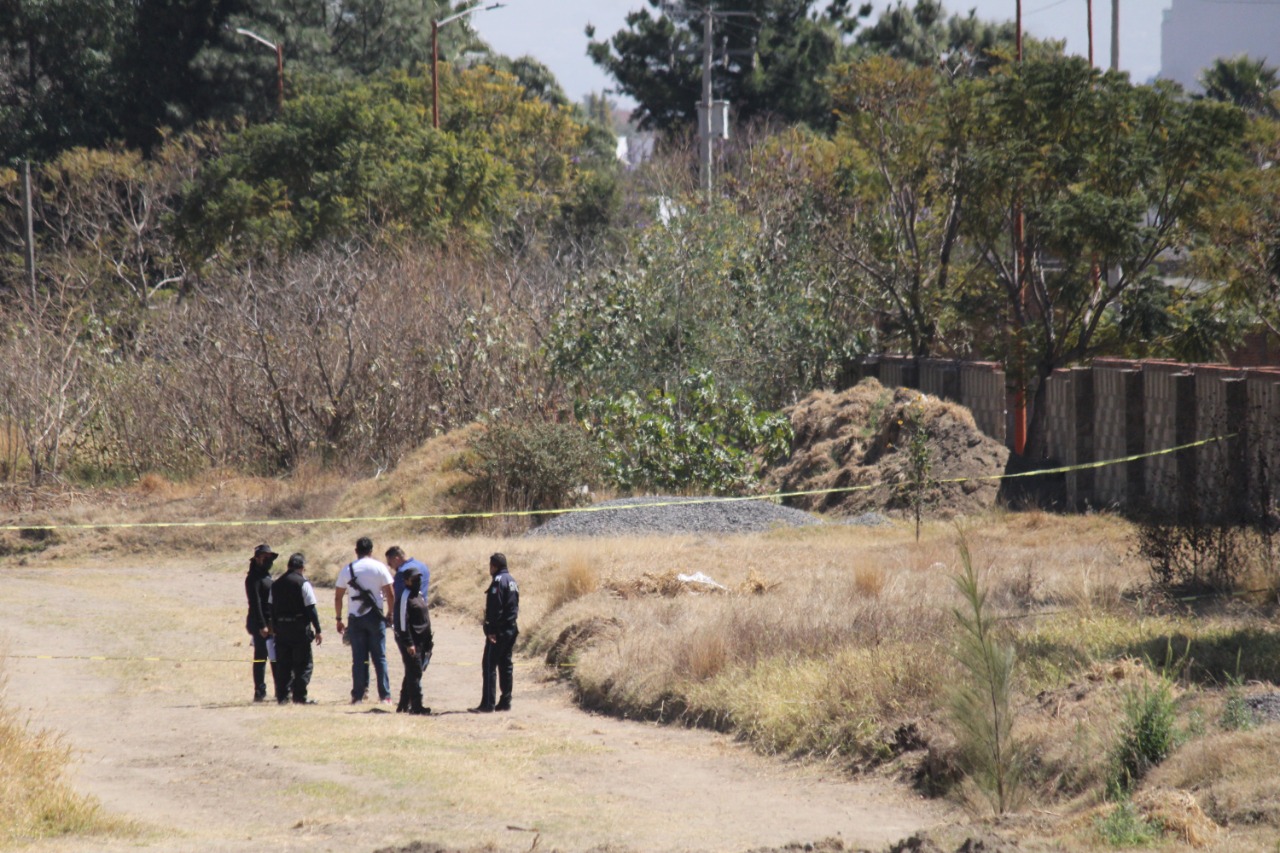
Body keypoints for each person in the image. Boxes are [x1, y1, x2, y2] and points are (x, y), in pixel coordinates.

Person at [334, 536, 396, 704]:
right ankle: (385, 696)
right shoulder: (379, 567)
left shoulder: (348, 570)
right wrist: (390, 613)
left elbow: (338, 596)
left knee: (359, 659)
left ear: (356, 551)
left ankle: (358, 696)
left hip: (355, 618)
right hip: (376, 618)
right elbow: (390, 593)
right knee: (380, 658)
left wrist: (339, 618)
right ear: (371, 550)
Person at [269, 552, 323, 704]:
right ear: (302, 567)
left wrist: (274, 626)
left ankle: (282, 697)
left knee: (283, 664)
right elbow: (311, 608)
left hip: (281, 629)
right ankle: (299, 696)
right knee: (303, 664)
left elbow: (271, 607)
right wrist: (318, 630)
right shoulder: (302, 583)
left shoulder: (276, 584)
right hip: (299, 629)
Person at [471, 552, 519, 713]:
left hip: (499, 631)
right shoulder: (512, 580)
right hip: (511, 628)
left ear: (494, 566)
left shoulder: (498, 581)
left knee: (489, 665)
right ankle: (505, 701)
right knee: (505, 665)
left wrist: (491, 630)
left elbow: (495, 607)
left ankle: (488, 704)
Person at [393, 566, 434, 715]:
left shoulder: (420, 595)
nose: (418, 581)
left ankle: (403, 705)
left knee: (413, 672)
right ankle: (416, 706)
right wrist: (408, 643)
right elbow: (402, 623)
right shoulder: (405, 597)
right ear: (406, 581)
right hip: (412, 642)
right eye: (414, 579)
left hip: (423, 641)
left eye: (419, 578)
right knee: (415, 672)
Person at [244, 544, 277, 702]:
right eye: (265, 557)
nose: (268, 560)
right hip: (260, 623)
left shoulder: (266, 575)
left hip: (271, 622)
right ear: (257, 558)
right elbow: (255, 603)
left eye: (269, 557)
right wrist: (262, 625)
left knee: (274, 657)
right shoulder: (253, 578)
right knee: (261, 657)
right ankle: (259, 691)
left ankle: (280, 689)